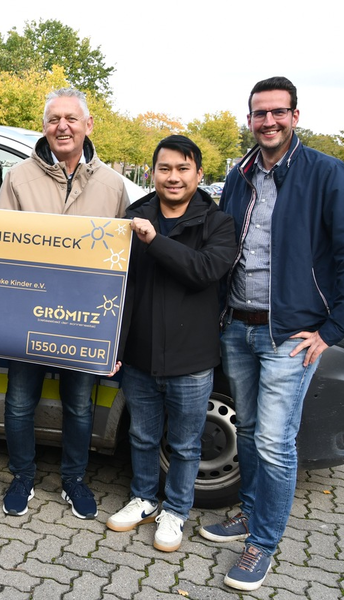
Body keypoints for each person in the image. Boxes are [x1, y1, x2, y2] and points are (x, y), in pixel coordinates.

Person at [198, 76, 344, 591]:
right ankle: (252, 514)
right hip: (239, 325)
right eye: (260, 113)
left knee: (277, 444)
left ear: (295, 116)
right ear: (250, 118)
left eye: (278, 112)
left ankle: (262, 541)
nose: (269, 122)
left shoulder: (327, 174)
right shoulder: (239, 175)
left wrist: (331, 330)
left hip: (291, 335)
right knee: (254, 433)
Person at [0, 87, 128, 518]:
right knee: (18, 402)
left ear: (88, 125)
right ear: (45, 126)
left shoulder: (112, 184)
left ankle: (73, 480)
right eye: (54, 119)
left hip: (85, 320)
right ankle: (23, 476)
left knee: (79, 405)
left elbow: (124, 262)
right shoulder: (17, 178)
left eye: (72, 118)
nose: (62, 126)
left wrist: (114, 334)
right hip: (26, 315)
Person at [106, 135, 236, 551]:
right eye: (165, 169)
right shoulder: (134, 215)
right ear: (154, 172)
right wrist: (112, 347)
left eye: (183, 169)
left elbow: (203, 270)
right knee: (142, 437)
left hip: (191, 358)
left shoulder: (218, 223)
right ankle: (143, 498)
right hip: (140, 355)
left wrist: (154, 241)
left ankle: (176, 511)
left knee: (184, 443)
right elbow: (117, 288)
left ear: (199, 173)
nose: (173, 177)